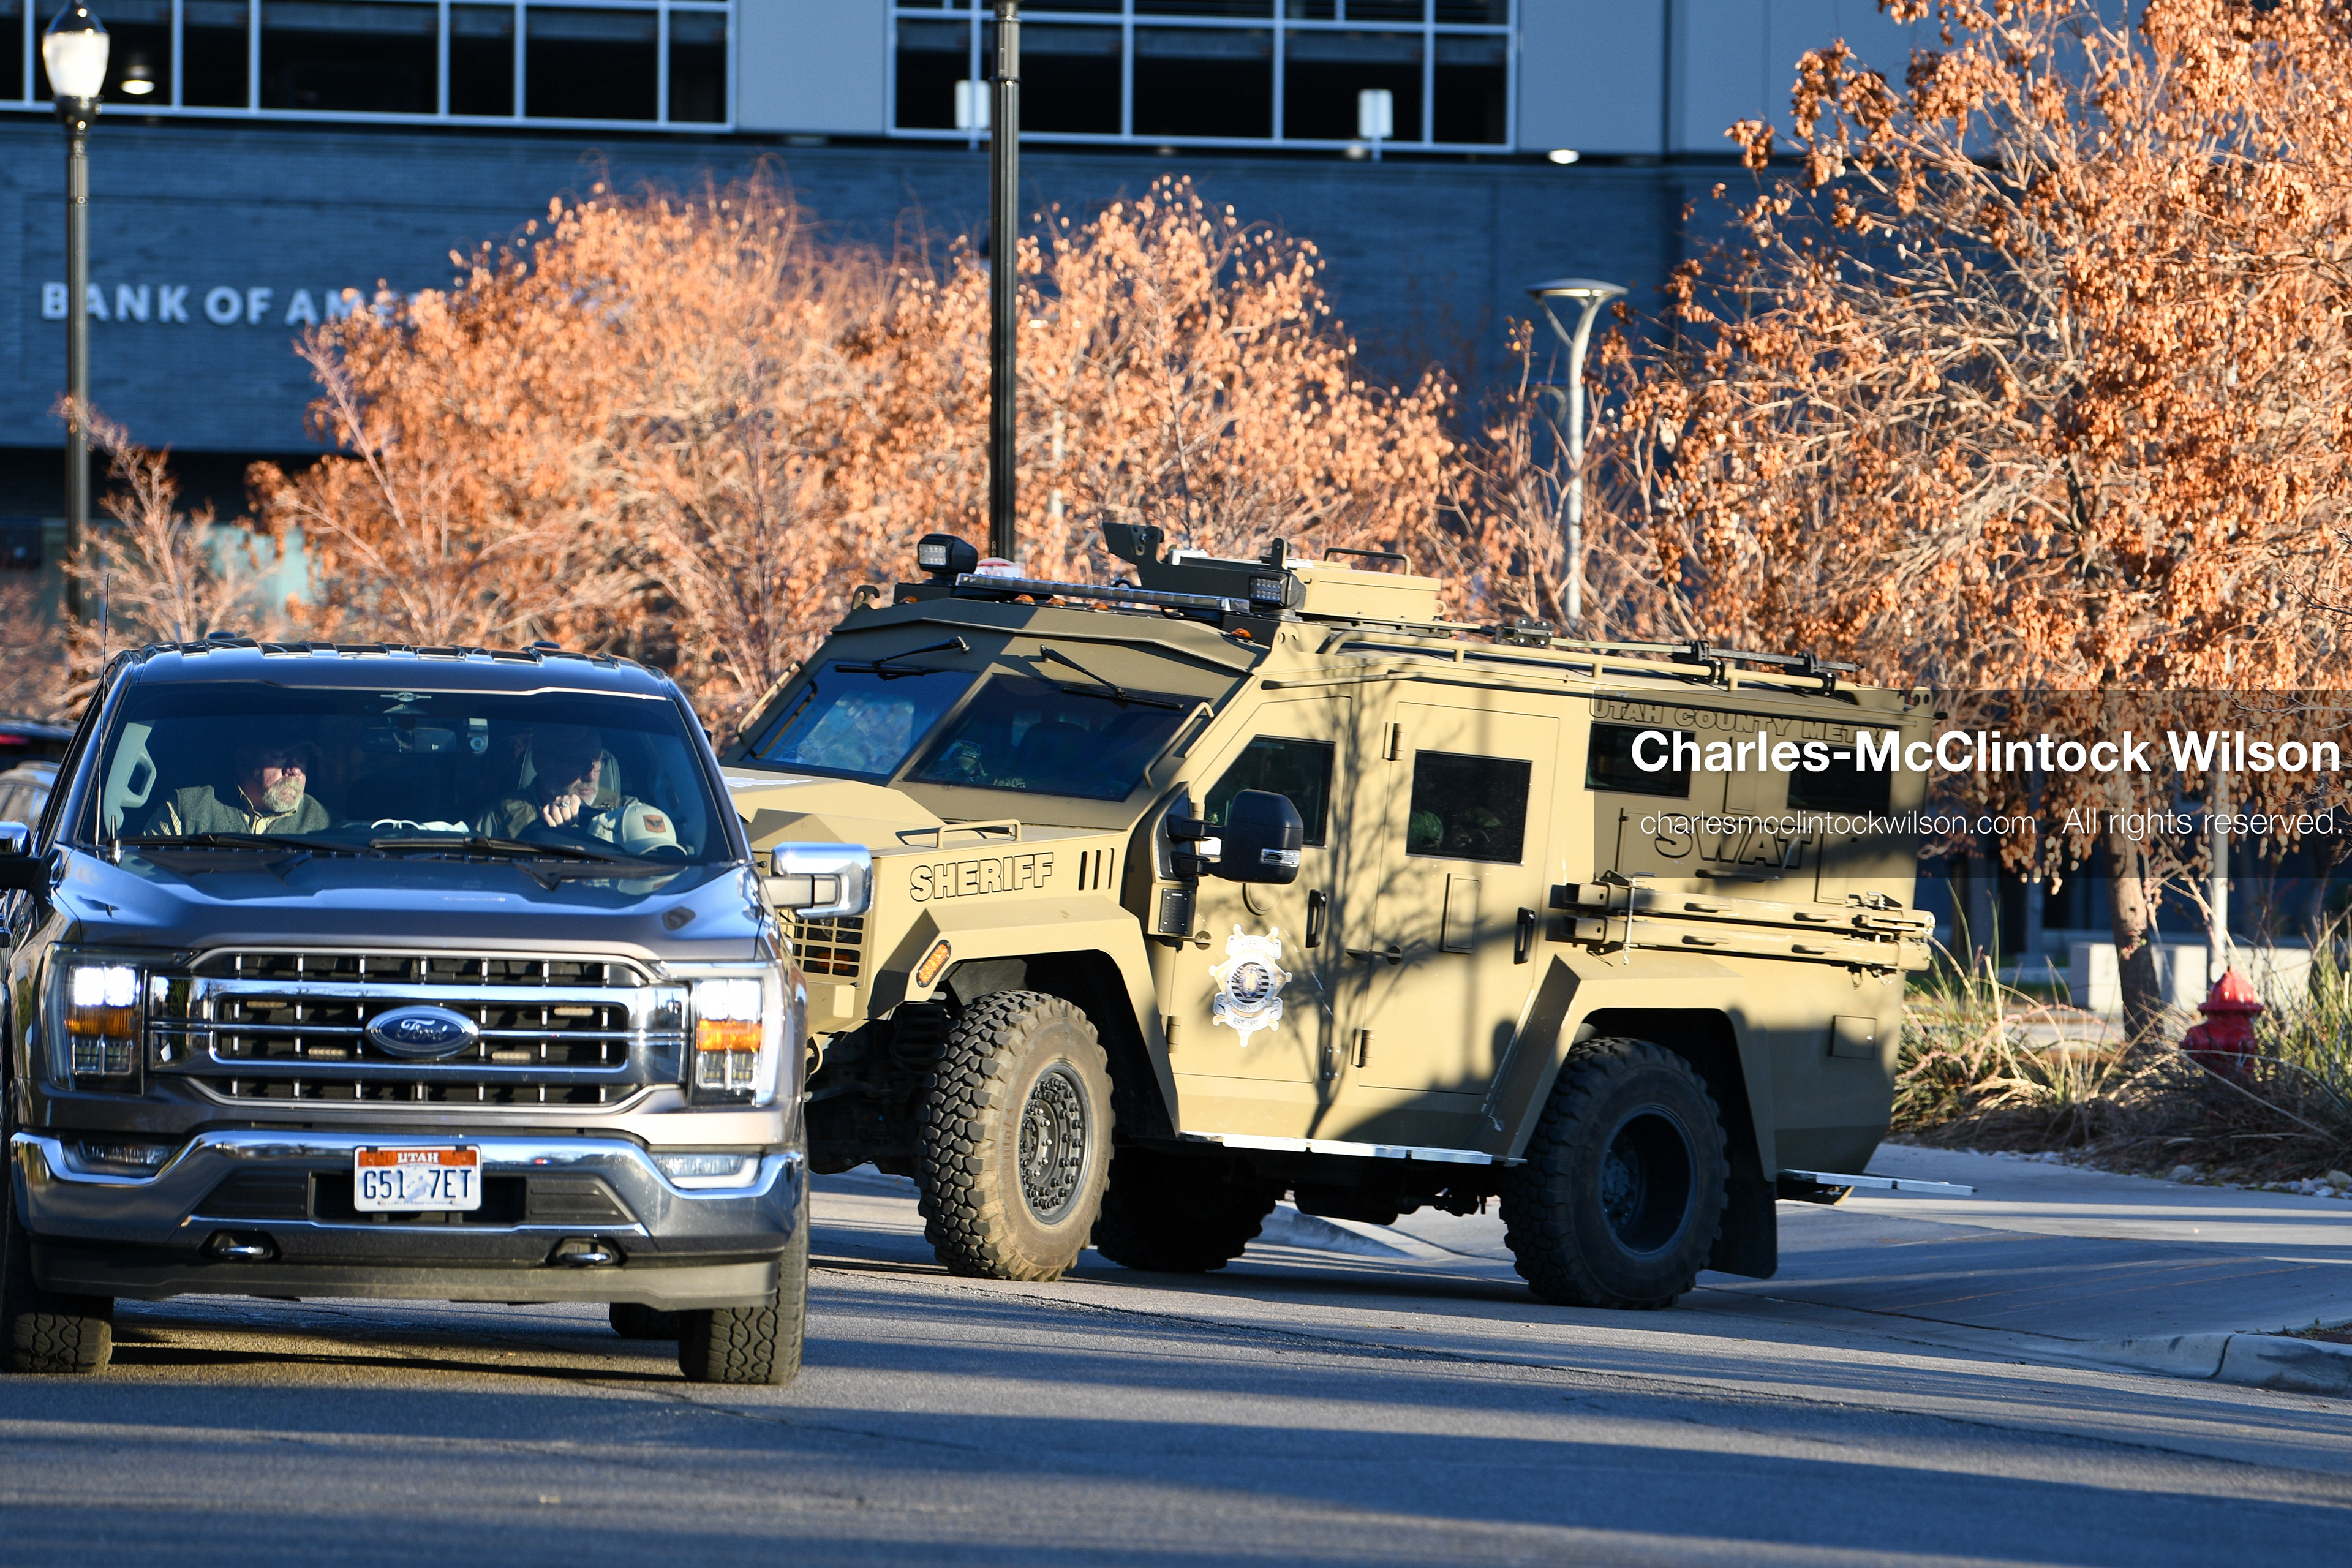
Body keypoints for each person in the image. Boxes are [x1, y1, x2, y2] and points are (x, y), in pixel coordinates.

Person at [475, 723, 680, 855]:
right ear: (542, 763)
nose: (591, 775)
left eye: (596, 761)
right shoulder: (501, 818)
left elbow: (661, 851)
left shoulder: (626, 811)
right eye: (577, 763)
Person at [145, 732, 332, 837]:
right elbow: (150, 882)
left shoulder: (325, 824)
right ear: (243, 761)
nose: (294, 770)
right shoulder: (184, 811)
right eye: (280, 757)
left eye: (302, 760)